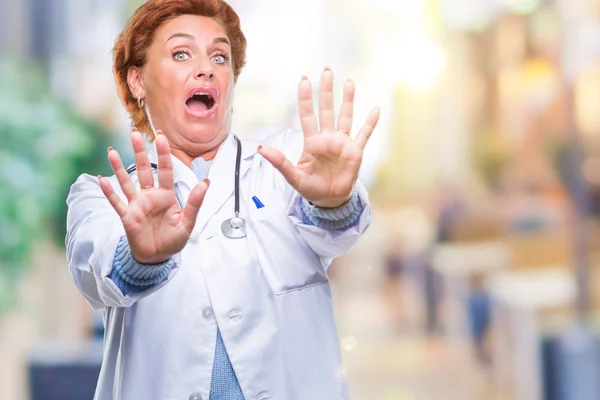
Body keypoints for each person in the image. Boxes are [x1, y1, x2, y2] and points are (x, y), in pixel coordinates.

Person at [65, 0, 380, 399]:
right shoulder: (101, 196)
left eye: (220, 56)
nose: (206, 68)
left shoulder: (282, 165)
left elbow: (335, 236)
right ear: (137, 82)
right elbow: (97, 275)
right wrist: (140, 259)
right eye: (181, 53)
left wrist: (334, 204)